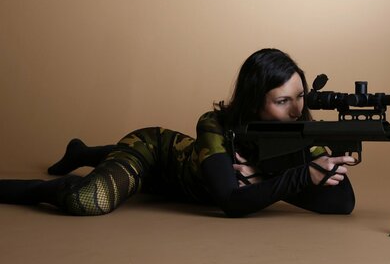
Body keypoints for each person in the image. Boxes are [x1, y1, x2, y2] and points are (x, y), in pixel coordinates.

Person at [0, 48, 356, 217]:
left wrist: (267, 175)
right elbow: (230, 202)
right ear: (253, 103)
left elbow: (342, 203)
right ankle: (40, 183)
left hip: (182, 170)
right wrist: (300, 177)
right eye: (282, 101)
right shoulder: (213, 126)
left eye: (300, 97)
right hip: (154, 152)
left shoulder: (298, 132)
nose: (296, 111)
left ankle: (81, 153)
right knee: (89, 199)